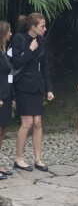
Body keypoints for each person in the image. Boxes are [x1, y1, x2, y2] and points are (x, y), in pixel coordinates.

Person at [12, 13, 54, 172]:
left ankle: (38, 158)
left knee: (37, 123)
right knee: (27, 123)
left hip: (37, 86)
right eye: (42, 26)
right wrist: (30, 50)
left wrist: (49, 88)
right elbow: (16, 62)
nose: (45, 28)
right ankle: (19, 158)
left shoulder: (42, 40)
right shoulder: (19, 38)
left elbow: (45, 67)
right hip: (23, 86)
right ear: (33, 27)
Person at [0, 21, 13, 180]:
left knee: (2, 131)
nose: (11, 34)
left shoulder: (4, 51)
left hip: (6, 95)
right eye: (9, 31)